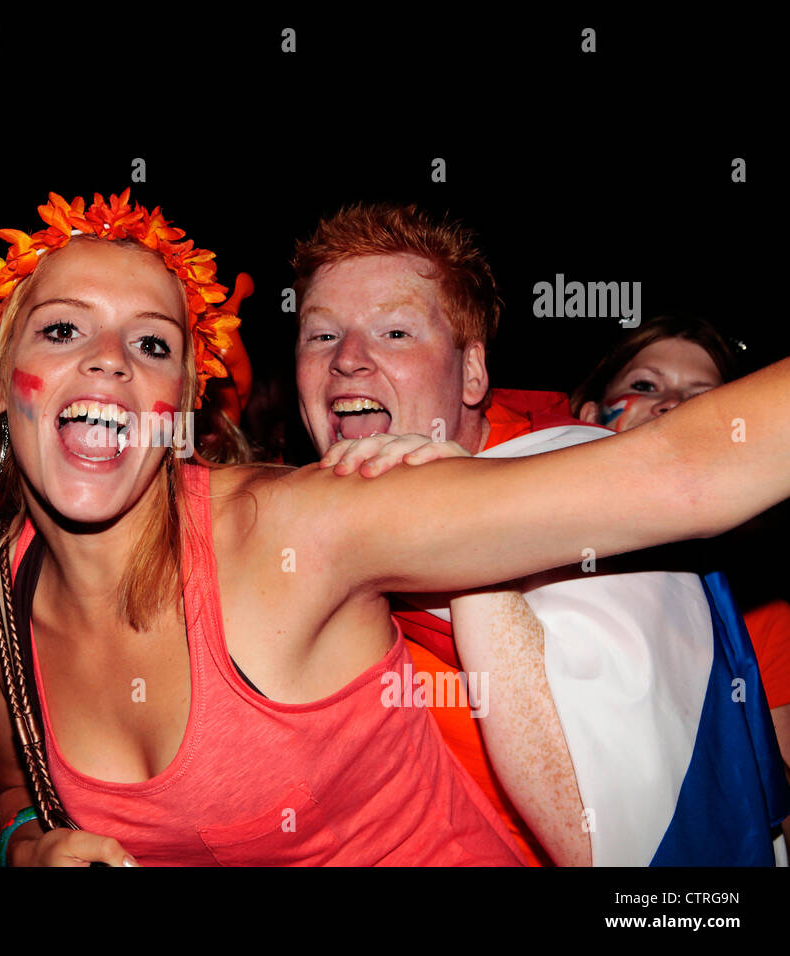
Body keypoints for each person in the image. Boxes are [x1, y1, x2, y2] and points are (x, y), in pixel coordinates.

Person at [0, 189, 790, 866]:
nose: (109, 359)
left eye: (152, 345)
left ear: (186, 402)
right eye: (61, 329)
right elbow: (18, 795)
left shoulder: (305, 527)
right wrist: (26, 847)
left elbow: (689, 470)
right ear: (2, 378)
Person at [293, 205, 788, 865]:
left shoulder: (580, 480)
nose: (349, 361)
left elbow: (614, 836)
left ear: (472, 374)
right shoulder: (281, 518)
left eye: (395, 331)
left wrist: (457, 525)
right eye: (321, 336)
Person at [571, 313, 790, 780]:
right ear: (590, 416)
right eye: (646, 386)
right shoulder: (518, 541)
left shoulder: (757, 607)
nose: (673, 406)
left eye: (703, 399)